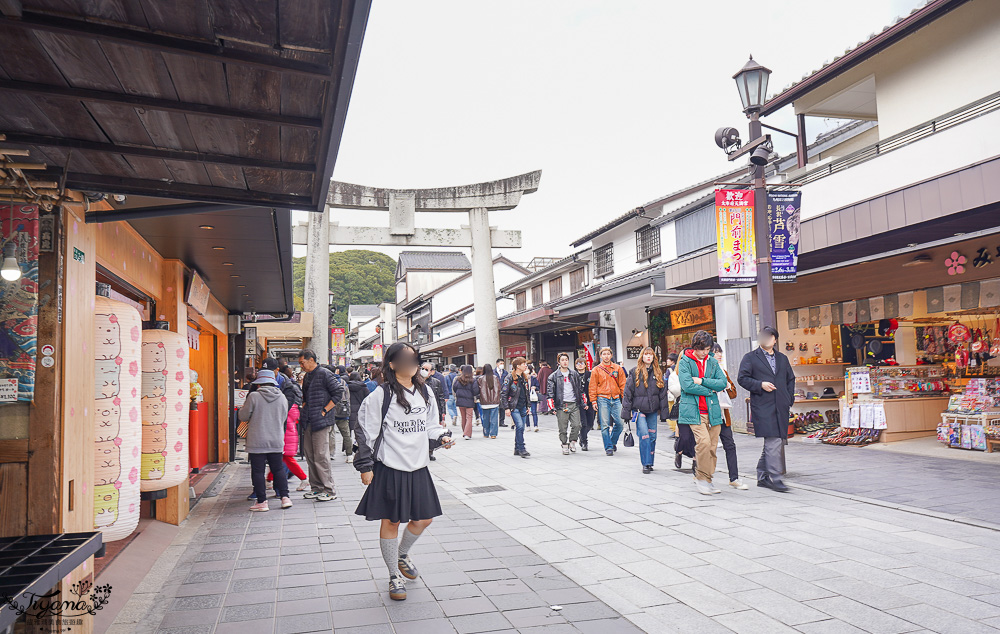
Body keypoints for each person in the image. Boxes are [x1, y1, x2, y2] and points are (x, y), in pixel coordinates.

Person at [354, 342, 455, 602]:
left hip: (418, 466)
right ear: (392, 363)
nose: (411, 363)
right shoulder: (380, 395)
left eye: (414, 359)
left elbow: (431, 425)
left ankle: (401, 555)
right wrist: (365, 467)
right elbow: (366, 432)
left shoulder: (426, 392)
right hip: (390, 467)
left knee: (424, 519)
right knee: (391, 521)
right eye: (405, 359)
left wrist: (443, 436)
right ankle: (393, 575)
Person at [738, 326, 795, 493]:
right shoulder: (750, 358)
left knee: (775, 440)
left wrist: (788, 398)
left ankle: (763, 476)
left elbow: (790, 379)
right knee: (774, 439)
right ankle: (776, 478)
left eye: (771, 337)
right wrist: (760, 385)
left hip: (781, 405)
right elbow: (742, 378)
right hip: (763, 405)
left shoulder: (782, 358)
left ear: (775, 340)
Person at [678, 331, 728, 496]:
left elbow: (722, 383)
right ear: (695, 347)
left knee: (713, 447)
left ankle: (707, 479)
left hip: (713, 410)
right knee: (704, 443)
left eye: (707, 349)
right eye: (702, 349)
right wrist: (709, 390)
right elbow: (686, 386)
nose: (705, 352)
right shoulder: (685, 361)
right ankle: (701, 478)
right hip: (694, 410)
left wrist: (701, 381)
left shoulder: (712, 362)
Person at [238, 369, 292, 511]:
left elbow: (243, 416)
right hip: (276, 439)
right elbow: (284, 417)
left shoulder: (254, 396)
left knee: (258, 471)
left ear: (259, 383)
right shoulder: (282, 397)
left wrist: (241, 409)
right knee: (278, 469)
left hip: (257, 440)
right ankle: (285, 498)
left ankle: (262, 502)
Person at [298, 349, 342, 502]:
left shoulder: (324, 373)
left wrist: (325, 410)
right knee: (310, 455)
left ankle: (329, 489)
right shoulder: (308, 376)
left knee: (321, 456)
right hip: (309, 420)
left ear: (311, 360)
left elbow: (338, 392)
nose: (301, 366)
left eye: (302, 363)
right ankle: (316, 488)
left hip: (321, 421)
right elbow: (304, 397)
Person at [622, 347, 670, 474]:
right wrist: (626, 412)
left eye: (650, 355)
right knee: (644, 435)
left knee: (652, 437)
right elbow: (627, 393)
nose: (648, 357)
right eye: (646, 354)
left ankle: (650, 462)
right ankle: (646, 463)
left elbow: (663, 394)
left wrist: (664, 413)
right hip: (638, 410)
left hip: (653, 410)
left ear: (654, 357)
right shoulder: (634, 372)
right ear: (642, 357)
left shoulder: (658, 372)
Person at [712, 344, 747, 490]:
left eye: (720, 352)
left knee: (730, 446)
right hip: (710, 415)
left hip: (724, 415)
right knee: (707, 447)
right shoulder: (705, 372)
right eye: (716, 352)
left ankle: (734, 478)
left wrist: (726, 385)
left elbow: (733, 393)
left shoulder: (723, 372)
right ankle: (702, 475)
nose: (719, 355)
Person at [271, 366, 309, 491]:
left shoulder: (287, 407)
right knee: (281, 460)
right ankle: (269, 479)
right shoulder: (294, 407)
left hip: (286, 435)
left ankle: (303, 479)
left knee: (286, 459)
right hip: (290, 434)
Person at [589, 347, 627, 456]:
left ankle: (613, 441)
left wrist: (625, 400)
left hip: (615, 398)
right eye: (604, 354)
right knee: (604, 424)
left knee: (620, 423)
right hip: (602, 398)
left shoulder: (617, 368)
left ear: (611, 355)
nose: (606, 356)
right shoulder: (596, 369)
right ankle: (608, 447)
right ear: (601, 356)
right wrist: (593, 401)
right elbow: (592, 386)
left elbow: (623, 384)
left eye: (608, 354)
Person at [546, 353, 584, 454]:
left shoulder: (574, 374)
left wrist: (583, 402)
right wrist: (552, 407)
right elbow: (550, 393)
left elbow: (580, 389)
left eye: (566, 360)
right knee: (563, 427)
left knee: (577, 425)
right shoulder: (553, 376)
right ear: (559, 362)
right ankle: (564, 444)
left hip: (574, 403)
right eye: (562, 360)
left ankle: (572, 441)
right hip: (561, 405)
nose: (565, 362)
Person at [500, 357, 531, 458]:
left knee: (520, 428)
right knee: (520, 426)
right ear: (518, 366)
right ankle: (522, 449)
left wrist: (528, 405)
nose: (525, 365)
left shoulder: (524, 377)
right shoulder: (509, 378)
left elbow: (527, 393)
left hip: (523, 406)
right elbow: (503, 394)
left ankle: (517, 448)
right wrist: (506, 408)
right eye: (523, 364)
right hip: (514, 406)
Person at [328, 370, 354, 464]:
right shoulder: (343, 382)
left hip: (330, 411)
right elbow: (348, 397)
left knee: (329, 433)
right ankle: (349, 455)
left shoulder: (328, 382)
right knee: (346, 434)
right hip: (342, 411)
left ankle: (330, 453)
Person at [452, 365, 480, 440]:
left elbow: (454, 388)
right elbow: (475, 391)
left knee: (463, 417)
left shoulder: (458, 379)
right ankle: (467, 434)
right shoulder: (473, 380)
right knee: (469, 417)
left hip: (460, 401)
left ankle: (465, 432)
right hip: (469, 401)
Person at [575, 358, 595, 451]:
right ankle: (584, 441)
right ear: (575, 365)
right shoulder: (574, 375)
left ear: (585, 364)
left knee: (590, 423)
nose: (580, 365)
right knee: (583, 423)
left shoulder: (590, 375)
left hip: (590, 401)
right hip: (579, 402)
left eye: (582, 363)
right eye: (578, 363)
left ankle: (581, 435)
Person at [477, 363, 501, 438]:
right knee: (494, 418)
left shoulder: (480, 379)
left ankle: (486, 433)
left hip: (484, 402)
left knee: (485, 418)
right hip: (495, 402)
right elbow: (499, 389)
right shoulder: (495, 378)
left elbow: (478, 390)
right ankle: (493, 434)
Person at [494, 359, 510, 427]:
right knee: (495, 406)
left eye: (503, 363)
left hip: (503, 391)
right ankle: (495, 421)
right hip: (495, 391)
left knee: (502, 406)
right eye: (501, 363)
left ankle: (501, 421)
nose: (502, 365)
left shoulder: (505, 373)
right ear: (497, 364)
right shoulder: (493, 372)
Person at [527, 365, 541, 431]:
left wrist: (535, 387)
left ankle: (535, 425)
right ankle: (527, 425)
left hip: (532, 396)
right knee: (526, 412)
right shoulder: (522, 378)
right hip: (525, 397)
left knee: (534, 411)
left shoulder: (533, 378)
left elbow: (538, 386)